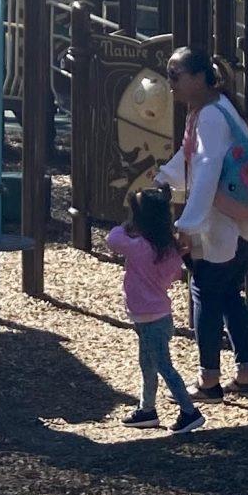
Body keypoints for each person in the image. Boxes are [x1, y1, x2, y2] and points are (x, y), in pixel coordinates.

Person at [154, 45, 248, 400]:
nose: (171, 83)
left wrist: (187, 223)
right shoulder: (213, 109)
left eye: (175, 76)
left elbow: (206, 167)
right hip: (245, 222)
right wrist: (164, 178)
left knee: (205, 293)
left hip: (224, 225)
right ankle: (246, 375)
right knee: (227, 294)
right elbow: (192, 158)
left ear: (198, 78)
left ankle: (209, 381)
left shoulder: (209, 115)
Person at [104, 184, 201, 433]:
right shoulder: (168, 249)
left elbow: (112, 238)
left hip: (148, 317)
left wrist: (127, 226)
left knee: (163, 366)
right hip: (157, 314)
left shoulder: (138, 247)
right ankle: (147, 409)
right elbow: (171, 275)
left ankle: (189, 411)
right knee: (147, 363)